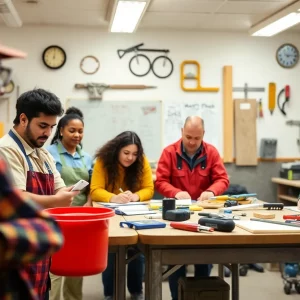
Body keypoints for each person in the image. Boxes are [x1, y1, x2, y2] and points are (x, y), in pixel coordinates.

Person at [0, 88, 79, 299]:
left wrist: (65, 194)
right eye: (42, 126)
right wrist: (56, 200)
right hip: (15, 249)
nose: (48, 133)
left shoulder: (43, 153)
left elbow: (59, 187)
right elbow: (18, 198)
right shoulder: (7, 150)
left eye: (52, 127)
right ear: (23, 119)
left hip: (38, 250)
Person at [155, 116, 229, 300]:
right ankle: (176, 297)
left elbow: (223, 179)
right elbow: (161, 181)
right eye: (188, 137)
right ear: (181, 132)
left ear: (203, 134)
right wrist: (175, 192)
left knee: (203, 260)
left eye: (196, 138)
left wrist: (212, 191)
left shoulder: (211, 152)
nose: (192, 142)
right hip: (176, 216)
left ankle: (200, 295)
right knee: (175, 262)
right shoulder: (169, 152)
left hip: (203, 215)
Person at [90, 131, 154, 300]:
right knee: (111, 252)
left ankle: (136, 291)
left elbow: (149, 188)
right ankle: (110, 294)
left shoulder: (142, 161)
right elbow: (95, 190)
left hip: (134, 213)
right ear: (117, 149)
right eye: (126, 153)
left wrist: (136, 196)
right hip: (110, 214)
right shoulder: (103, 161)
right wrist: (113, 197)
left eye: (134, 154)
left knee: (136, 250)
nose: (130, 158)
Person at [47, 107, 93, 300]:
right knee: (55, 266)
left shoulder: (87, 157)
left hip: (80, 218)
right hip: (57, 216)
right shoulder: (49, 154)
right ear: (61, 131)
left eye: (80, 131)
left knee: (76, 265)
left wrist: (88, 203)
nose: (77, 135)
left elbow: (92, 187)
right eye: (72, 130)